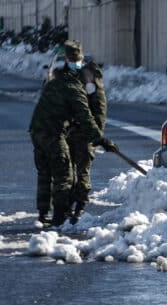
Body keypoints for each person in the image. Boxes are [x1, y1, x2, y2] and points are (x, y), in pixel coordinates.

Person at [29, 40, 111, 227]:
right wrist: (101, 139)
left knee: (45, 172)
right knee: (64, 174)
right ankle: (60, 217)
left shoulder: (55, 82)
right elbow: (86, 117)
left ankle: (45, 212)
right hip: (55, 134)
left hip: (37, 131)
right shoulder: (75, 89)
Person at [67, 61, 108, 224]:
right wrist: (98, 137)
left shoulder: (80, 86)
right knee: (78, 172)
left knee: (77, 171)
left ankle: (74, 206)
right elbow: (98, 117)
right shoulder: (93, 90)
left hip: (80, 135)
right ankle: (75, 206)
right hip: (83, 136)